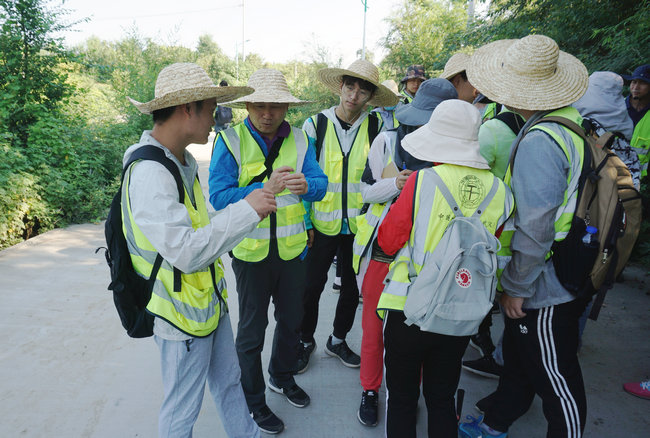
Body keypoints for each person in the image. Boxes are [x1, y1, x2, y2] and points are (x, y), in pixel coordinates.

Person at [124, 62, 275, 438]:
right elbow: (187, 252)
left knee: (229, 384)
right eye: (210, 109)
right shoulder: (150, 173)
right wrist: (247, 210)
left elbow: (202, 224)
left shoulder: (180, 161)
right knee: (181, 411)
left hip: (207, 304)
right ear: (186, 109)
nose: (216, 119)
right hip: (180, 319)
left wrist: (249, 208)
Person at [460, 34, 591, 438]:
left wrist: (516, 286)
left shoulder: (540, 140)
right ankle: (495, 423)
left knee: (556, 376)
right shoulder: (568, 121)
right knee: (520, 357)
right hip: (558, 266)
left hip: (546, 281)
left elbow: (537, 225)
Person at [376, 99, 514, 438]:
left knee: (402, 399)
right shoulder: (502, 192)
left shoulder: (421, 181)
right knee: (441, 399)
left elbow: (389, 240)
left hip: (409, 308)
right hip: (461, 312)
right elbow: (496, 252)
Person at [208, 69, 327, 435]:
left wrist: (308, 186)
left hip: (293, 252)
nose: (267, 113)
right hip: (250, 254)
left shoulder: (302, 139)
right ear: (247, 106)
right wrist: (264, 188)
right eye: (259, 105)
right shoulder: (229, 141)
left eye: (275, 106)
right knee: (252, 331)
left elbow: (320, 185)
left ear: (286, 107)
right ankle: (253, 400)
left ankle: (282, 376)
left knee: (292, 321)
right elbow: (218, 196)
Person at [352, 77, 458, 427]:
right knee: (373, 325)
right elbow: (365, 192)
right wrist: (394, 185)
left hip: (429, 260)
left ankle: (407, 394)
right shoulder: (387, 140)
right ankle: (370, 389)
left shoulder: (457, 157)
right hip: (383, 251)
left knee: (421, 329)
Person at [297, 59, 400, 373]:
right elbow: (303, 177)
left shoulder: (377, 128)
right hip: (321, 223)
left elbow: (385, 177)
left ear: (370, 97)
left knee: (353, 290)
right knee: (310, 287)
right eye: (350, 87)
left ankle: (337, 340)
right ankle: (304, 341)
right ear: (340, 87)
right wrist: (305, 221)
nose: (354, 96)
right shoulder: (315, 125)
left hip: (360, 225)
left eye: (362, 91)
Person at [622, 64, 650, 179]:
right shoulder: (617, 108)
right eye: (634, 82)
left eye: (642, 83)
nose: (636, 87)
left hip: (642, 179)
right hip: (612, 173)